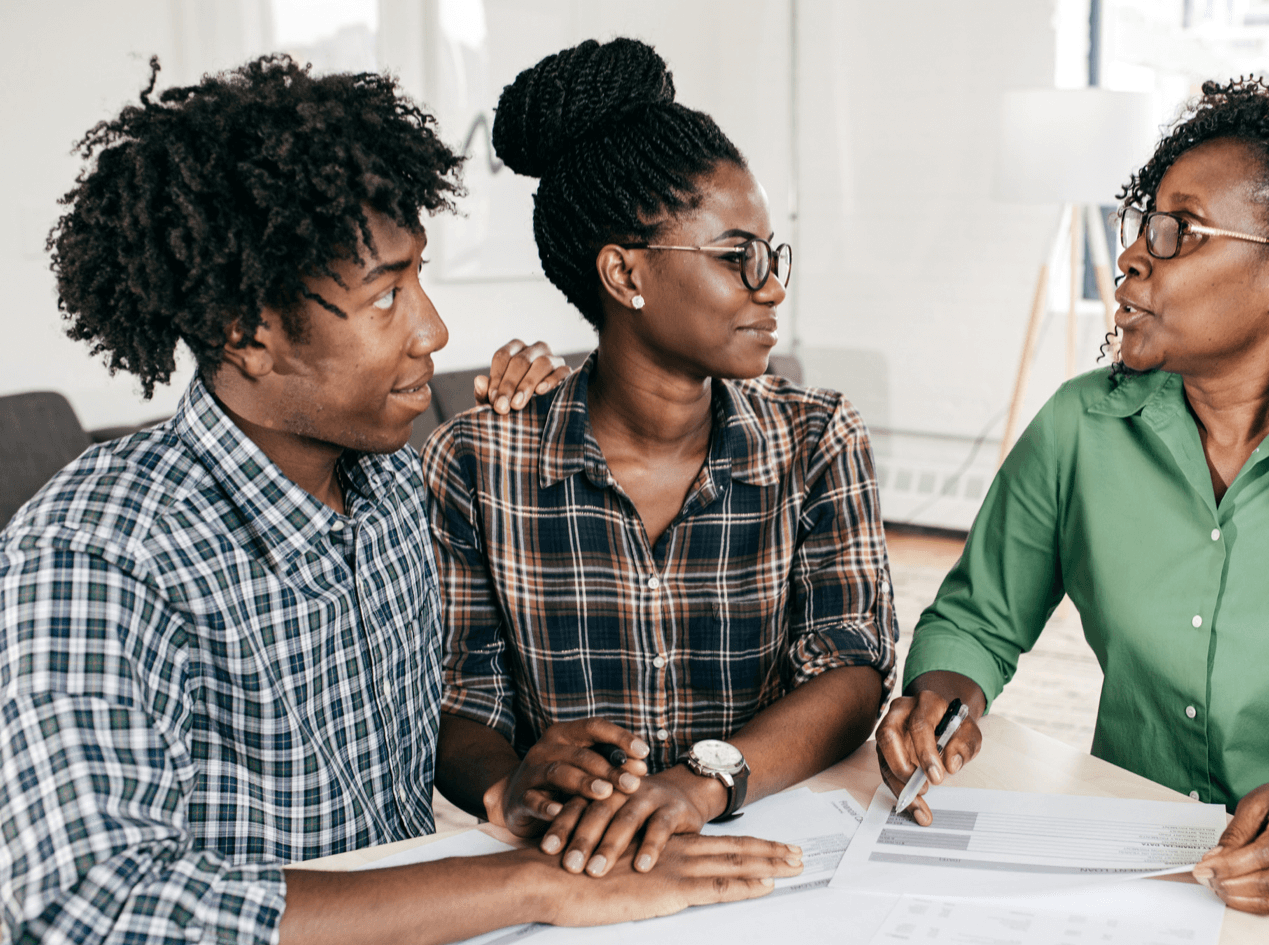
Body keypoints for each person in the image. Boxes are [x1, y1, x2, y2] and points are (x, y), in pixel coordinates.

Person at [0, 55, 802, 945]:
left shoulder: (387, 487)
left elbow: (401, 757)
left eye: (418, 278)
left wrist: (509, 784)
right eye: (386, 294)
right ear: (246, 333)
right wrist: (530, 885)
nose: (434, 328)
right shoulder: (95, 551)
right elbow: (81, 906)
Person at [874, 78, 1269, 919]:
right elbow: (977, 620)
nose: (1136, 254)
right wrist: (941, 693)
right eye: (1144, 223)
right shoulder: (1085, 425)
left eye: (1180, 230)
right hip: (1142, 869)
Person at [425, 38, 897, 880]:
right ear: (624, 272)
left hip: (776, 857)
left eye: (771, 254)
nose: (773, 287)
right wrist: (513, 786)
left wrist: (701, 785)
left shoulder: (817, 438)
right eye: (736, 256)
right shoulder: (479, 459)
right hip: (574, 872)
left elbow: (853, 668)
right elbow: (462, 700)